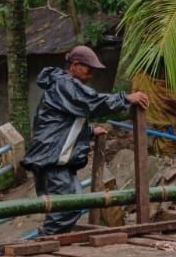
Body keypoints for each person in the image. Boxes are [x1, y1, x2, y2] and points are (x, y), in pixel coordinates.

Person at [24, 45, 151, 235]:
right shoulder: (65, 85)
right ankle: (44, 243)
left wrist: (90, 131)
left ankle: (50, 243)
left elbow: (64, 123)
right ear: (75, 65)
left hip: (57, 161)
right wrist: (126, 98)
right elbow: (93, 103)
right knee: (67, 208)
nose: (91, 76)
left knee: (72, 205)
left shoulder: (65, 87)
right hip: (51, 159)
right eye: (88, 70)